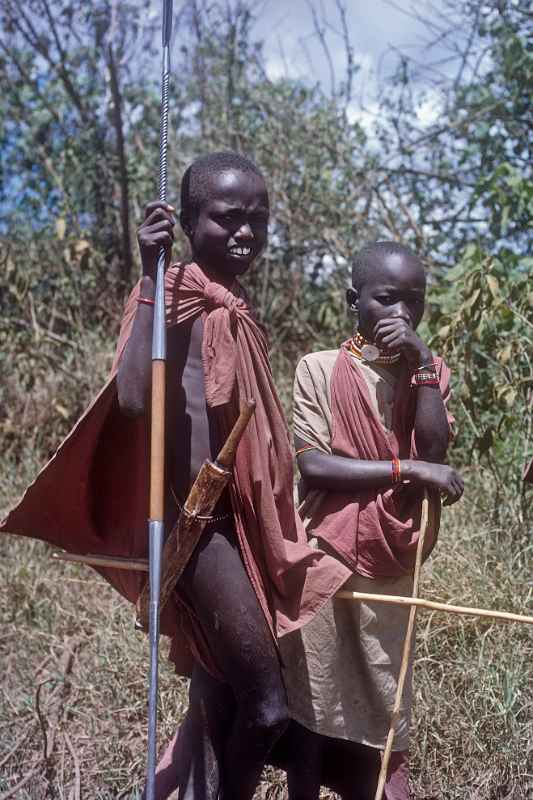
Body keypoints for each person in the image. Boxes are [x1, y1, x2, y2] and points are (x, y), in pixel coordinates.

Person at [1, 151, 351, 800]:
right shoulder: (168, 296)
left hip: (245, 530)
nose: (245, 231)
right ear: (189, 223)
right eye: (226, 219)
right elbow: (133, 398)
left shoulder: (237, 309)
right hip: (198, 532)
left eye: (257, 218)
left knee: (218, 718)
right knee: (269, 709)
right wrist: (145, 274)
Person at [278, 241, 464, 799]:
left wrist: (424, 370)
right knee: (314, 700)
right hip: (325, 555)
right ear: (353, 301)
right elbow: (314, 464)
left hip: (396, 562)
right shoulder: (320, 368)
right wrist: (407, 469)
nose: (402, 315)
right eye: (387, 300)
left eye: (415, 302)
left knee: (386, 701)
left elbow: (436, 452)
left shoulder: (429, 373)